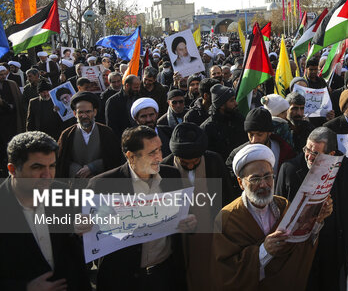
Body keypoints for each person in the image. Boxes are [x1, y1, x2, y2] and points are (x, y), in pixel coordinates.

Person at [86, 126, 196, 291]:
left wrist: (189, 223)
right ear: (131, 156)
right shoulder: (102, 185)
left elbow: (181, 220)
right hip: (122, 279)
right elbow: (91, 233)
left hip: (164, 275)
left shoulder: (171, 176)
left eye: (159, 149)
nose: (159, 157)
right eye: (152, 153)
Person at [211, 143, 333, 290]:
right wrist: (263, 251)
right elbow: (225, 274)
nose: (263, 184)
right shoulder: (227, 218)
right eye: (255, 179)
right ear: (240, 182)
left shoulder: (282, 206)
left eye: (268, 176)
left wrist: (317, 220)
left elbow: (298, 249)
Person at [0, 131, 90, 290]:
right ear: (12, 169)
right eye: (37, 167)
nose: (47, 176)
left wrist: (82, 231)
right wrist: (25, 288)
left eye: (52, 166)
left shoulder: (62, 193)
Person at [276, 127, 348, 291]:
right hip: (301, 248)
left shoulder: (346, 167)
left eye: (316, 154)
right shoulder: (289, 169)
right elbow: (279, 209)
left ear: (331, 155)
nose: (309, 156)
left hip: (333, 244)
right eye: (307, 149)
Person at [161, 122, 233, 291]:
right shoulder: (165, 168)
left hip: (212, 233)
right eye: (186, 162)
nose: (192, 165)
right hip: (181, 238)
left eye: (195, 161)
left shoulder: (214, 161)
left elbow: (227, 197)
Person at [226, 107, 295, 191]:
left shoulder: (284, 152)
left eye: (259, 134)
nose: (254, 140)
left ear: (269, 132)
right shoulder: (236, 155)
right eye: (251, 134)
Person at [56, 91, 123, 178]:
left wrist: (93, 167)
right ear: (74, 114)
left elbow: (114, 158)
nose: (84, 116)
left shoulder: (106, 132)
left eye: (88, 112)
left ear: (94, 112)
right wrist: (77, 170)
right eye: (80, 112)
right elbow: (61, 161)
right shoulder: (67, 134)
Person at [200, 84, 248, 161]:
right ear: (221, 105)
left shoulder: (240, 119)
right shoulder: (207, 128)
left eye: (235, 99)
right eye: (232, 100)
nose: (236, 103)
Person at [105, 74, 141, 138]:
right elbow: (111, 125)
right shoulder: (113, 101)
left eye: (139, 87)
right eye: (135, 87)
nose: (138, 89)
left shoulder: (139, 98)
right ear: (127, 85)